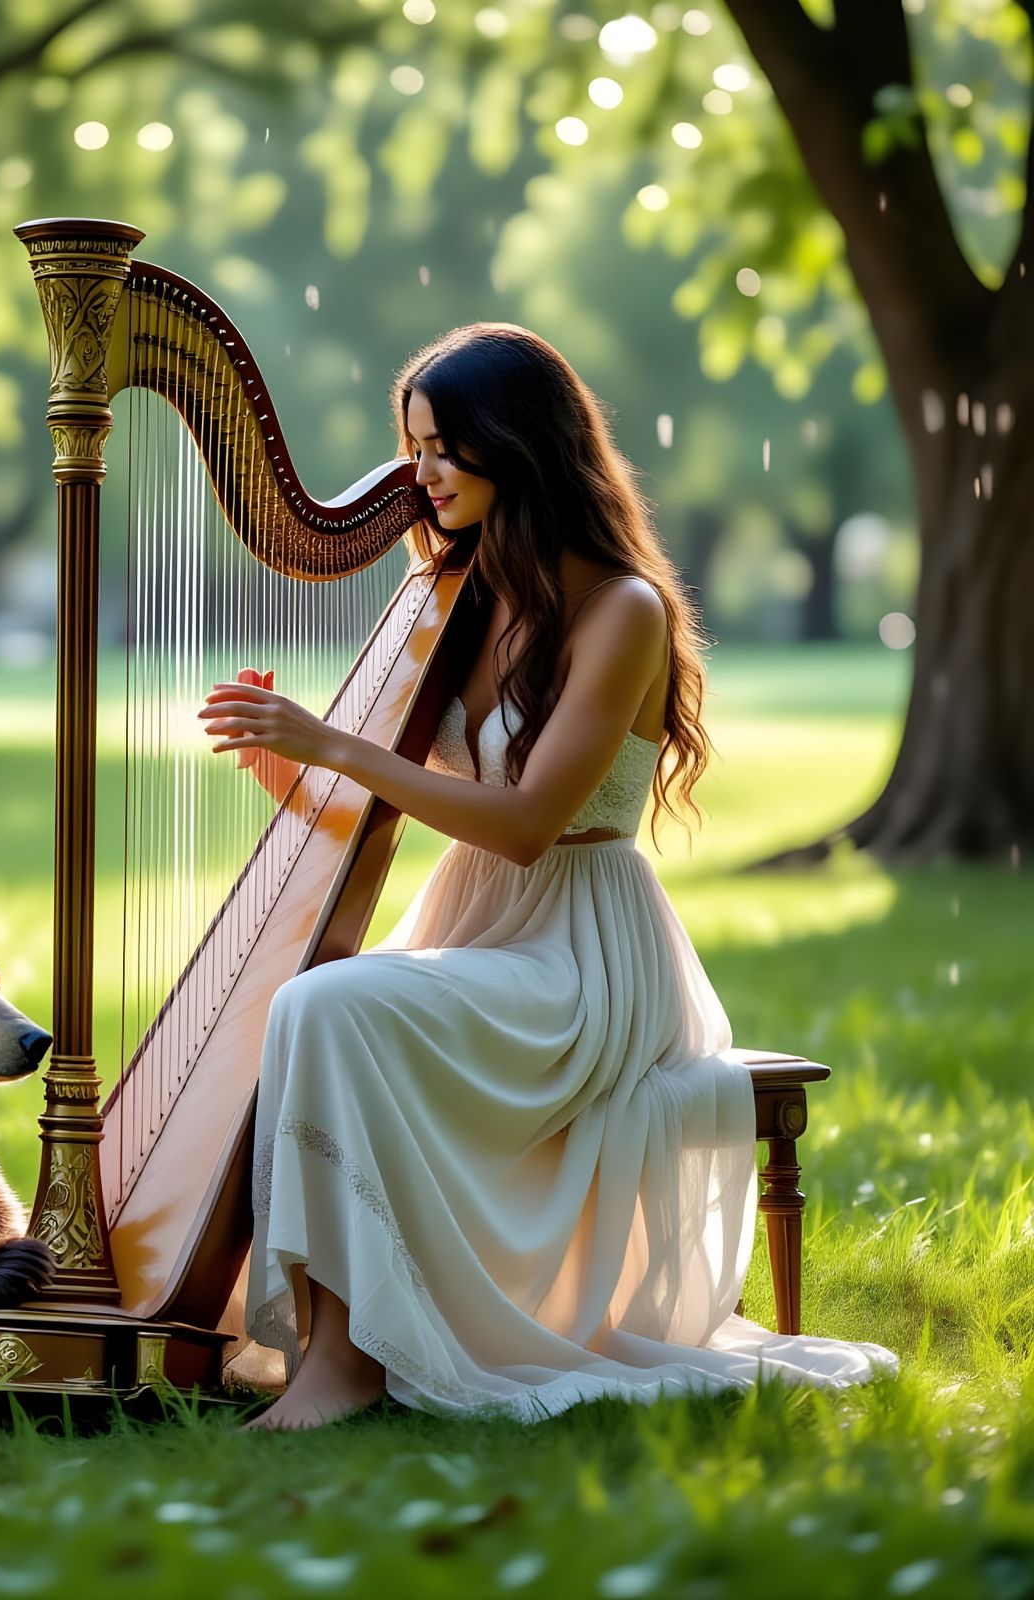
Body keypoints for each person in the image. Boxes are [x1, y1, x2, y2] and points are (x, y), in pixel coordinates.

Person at [197, 323, 900, 1431]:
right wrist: (289, 766)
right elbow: (401, 803)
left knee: (326, 1004)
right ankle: (340, 1343)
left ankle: (349, 1359)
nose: (419, 475)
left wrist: (334, 744)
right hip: (481, 928)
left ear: (516, 443)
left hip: (580, 956)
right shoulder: (459, 596)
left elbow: (526, 824)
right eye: (414, 447)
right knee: (316, 1005)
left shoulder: (623, 610)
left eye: (443, 448)